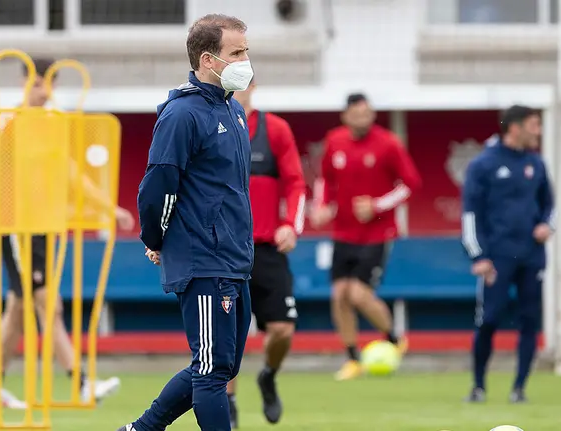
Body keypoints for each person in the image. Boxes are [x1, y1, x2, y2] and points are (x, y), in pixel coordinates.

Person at [0, 58, 133, 408]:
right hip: (18, 226)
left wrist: (108, 208)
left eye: (48, 83)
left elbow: (70, 175)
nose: (43, 90)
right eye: (36, 83)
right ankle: (80, 380)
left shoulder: (51, 124)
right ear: (23, 82)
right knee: (46, 304)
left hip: (45, 226)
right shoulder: (8, 122)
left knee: (19, 308)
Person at [120, 13, 254, 431]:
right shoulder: (182, 114)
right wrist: (155, 238)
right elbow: (158, 184)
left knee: (219, 365)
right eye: (238, 52)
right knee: (213, 372)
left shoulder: (234, 111)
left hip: (235, 258)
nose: (246, 60)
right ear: (209, 60)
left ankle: (141, 429)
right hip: (203, 258)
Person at [309, 93, 421, 381]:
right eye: (357, 113)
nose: (364, 117)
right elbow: (325, 180)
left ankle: (395, 338)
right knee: (340, 295)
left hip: (377, 233)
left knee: (359, 294)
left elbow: (410, 184)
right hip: (343, 231)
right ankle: (352, 357)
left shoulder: (388, 143)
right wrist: (321, 206)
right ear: (345, 116)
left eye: (368, 112)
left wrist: (376, 206)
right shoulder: (335, 141)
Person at [460, 105, 554, 404]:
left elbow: (551, 205)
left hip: (531, 256)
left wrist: (546, 225)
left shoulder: (536, 164)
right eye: (534, 125)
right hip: (496, 259)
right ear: (515, 127)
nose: (538, 131)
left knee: (529, 321)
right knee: (488, 320)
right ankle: (478, 386)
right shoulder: (483, 165)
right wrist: (478, 257)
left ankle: (519, 389)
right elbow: (470, 215)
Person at [227, 79, 306, 427]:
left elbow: (295, 182)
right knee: (224, 334)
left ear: (253, 84)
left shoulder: (274, 129)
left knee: (283, 329)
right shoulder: (203, 125)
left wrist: (291, 224)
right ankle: (227, 399)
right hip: (223, 251)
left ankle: (268, 375)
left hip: (266, 249)